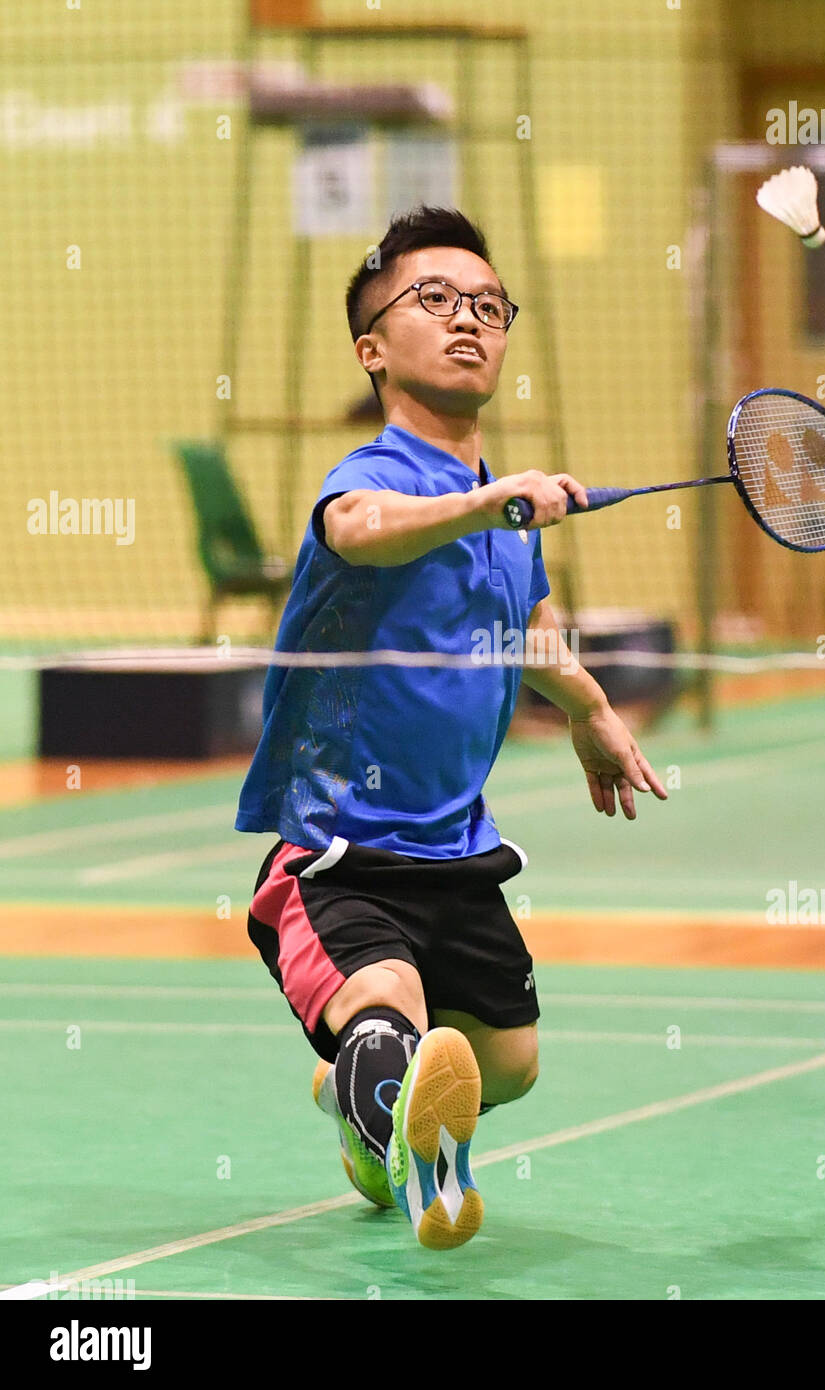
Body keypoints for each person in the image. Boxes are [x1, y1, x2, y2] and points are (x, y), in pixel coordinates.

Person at [235, 206, 668, 1250]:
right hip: (340, 848)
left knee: (509, 1064)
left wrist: (591, 711)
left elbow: (529, 626)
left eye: (487, 305)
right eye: (433, 300)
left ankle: (356, 1098)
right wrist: (490, 507)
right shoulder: (376, 480)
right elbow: (359, 534)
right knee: (387, 1014)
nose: (468, 320)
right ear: (372, 347)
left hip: (459, 848)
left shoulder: (499, 510)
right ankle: (381, 1089)